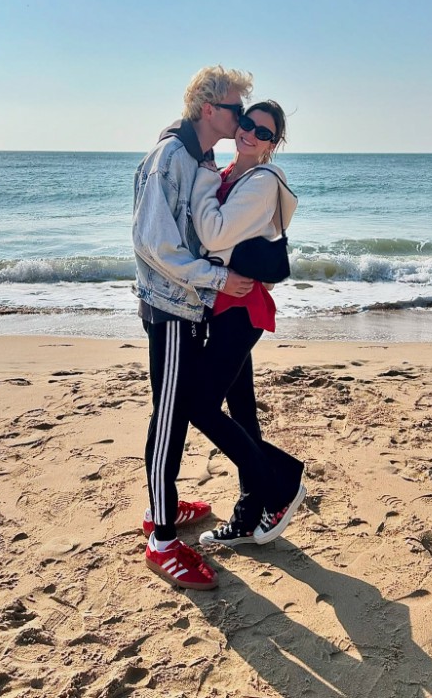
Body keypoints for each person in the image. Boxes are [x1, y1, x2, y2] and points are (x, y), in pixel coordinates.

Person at [132, 65, 254, 590]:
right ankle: (161, 539)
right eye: (236, 108)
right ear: (209, 109)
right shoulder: (170, 158)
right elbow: (155, 245)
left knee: (176, 408)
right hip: (174, 306)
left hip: (189, 303)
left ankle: (167, 504)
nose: (242, 118)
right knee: (169, 415)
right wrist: (218, 280)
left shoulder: (197, 156)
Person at [187, 101, 306, 548]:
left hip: (240, 310)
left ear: (273, 145)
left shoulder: (260, 183)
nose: (251, 134)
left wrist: (200, 178)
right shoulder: (226, 176)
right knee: (242, 416)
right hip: (222, 304)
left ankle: (283, 481)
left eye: (264, 133)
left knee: (198, 406)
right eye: (248, 124)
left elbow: (215, 237)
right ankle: (248, 512)